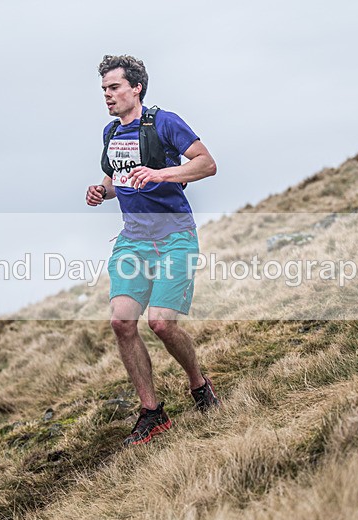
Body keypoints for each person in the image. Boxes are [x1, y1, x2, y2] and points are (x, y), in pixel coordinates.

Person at [85, 54, 220, 446]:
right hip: (133, 240)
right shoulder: (111, 134)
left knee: (161, 323)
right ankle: (152, 413)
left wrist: (161, 173)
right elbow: (116, 179)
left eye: (114, 88)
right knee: (122, 322)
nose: (108, 96)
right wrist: (102, 190)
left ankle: (199, 385)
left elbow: (207, 164)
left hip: (175, 235)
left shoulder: (165, 122)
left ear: (136, 88)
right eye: (104, 90)